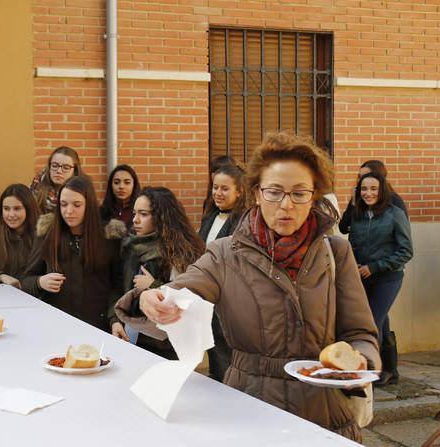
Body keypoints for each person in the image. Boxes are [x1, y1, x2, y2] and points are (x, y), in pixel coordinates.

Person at [116, 132, 379, 442]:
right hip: (250, 405)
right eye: (274, 192)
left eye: (299, 193)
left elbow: (360, 333)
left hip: (324, 414)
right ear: (256, 194)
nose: (286, 204)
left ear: (313, 196)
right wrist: (148, 297)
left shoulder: (336, 252)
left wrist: (359, 363)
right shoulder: (225, 253)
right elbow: (181, 293)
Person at [22, 175, 125, 331]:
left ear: (89, 205)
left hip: (97, 328)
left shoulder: (109, 237)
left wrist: (114, 319)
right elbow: (25, 280)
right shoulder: (48, 234)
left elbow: (117, 286)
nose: (69, 211)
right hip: (55, 326)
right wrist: (39, 282)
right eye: (63, 204)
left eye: (77, 205)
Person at [114, 187, 206, 359]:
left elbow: (187, 300)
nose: (135, 220)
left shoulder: (179, 252)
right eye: (134, 213)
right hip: (132, 334)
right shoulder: (131, 245)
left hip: (165, 344)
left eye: (143, 214)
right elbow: (117, 286)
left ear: (161, 216)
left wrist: (153, 286)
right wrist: (115, 320)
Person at [339, 159, 408, 385]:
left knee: (372, 322)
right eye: (363, 188)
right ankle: (391, 371)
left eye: (373, 188)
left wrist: (374, 267)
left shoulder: (394, 212)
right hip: (361, 276)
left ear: (382, 189)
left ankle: (369, 372)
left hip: (387, 276)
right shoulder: (358, 212)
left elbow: (406, 251)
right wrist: (352, 202)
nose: (368, 192)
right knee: (379, 320)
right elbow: (344, 229)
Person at [197, 163, 247, 381]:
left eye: (224, 189)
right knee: (214, 350)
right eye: (215, 187)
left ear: (239, 191)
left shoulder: (244, 222)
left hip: (231, 298)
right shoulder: (209, 217)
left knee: (229, 355)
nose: (217, 193)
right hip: (209, 296)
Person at [30, 146, 83, 214]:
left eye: (66, 168)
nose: (59, 171)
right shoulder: (37, 185)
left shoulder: (82, 191)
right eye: (55, 166)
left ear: (74, 171)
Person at [100, 164, 141, 231]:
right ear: (111, 185)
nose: (121, 186)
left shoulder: (141, 212)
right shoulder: (102, 212)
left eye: (127, 182)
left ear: (134, 185)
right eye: (116, 182)